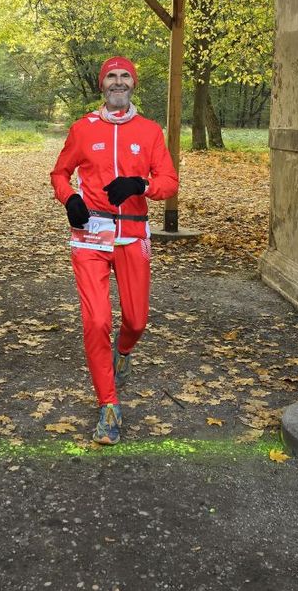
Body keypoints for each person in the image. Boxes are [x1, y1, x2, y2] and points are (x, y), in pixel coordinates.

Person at [50, 56, 178, 444]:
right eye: (111, 76)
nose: (118, 82)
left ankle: (123, 352)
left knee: (136, 320)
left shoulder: (151, 131)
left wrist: (141, 186)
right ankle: (108, 405)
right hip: (90, 235)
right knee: (96, 322)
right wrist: (69, 197)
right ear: (102, 85)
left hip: (134, 235)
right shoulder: (82, 129)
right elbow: (59, 172)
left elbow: (169, 181)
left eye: (124, 76)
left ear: (133, 85)